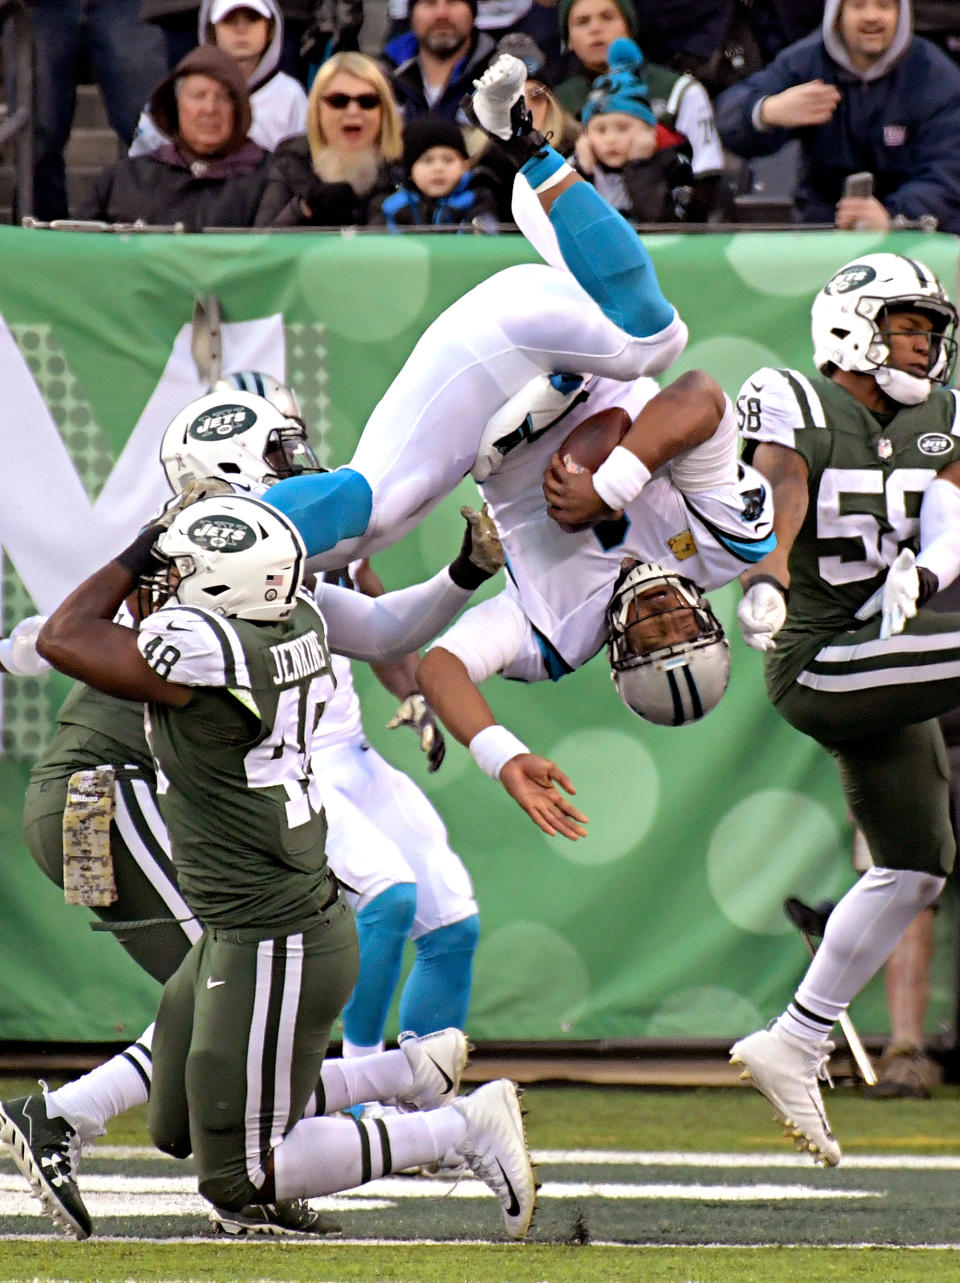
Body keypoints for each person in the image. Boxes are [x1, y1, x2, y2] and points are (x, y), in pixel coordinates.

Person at [1, 390, 501, 1236]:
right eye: (277, 457)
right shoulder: (192, 562)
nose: (295, 471)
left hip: (142, 793)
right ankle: (76, 1117)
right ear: (226, 474)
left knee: (231, 1007)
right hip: (110, 788)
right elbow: (49, 636)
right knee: (232, 981)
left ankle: (310, 1121)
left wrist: (463, 574)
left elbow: (376, 629)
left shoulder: (250, 561)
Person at [262, 52, 689, 566]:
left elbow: (387, 631)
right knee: (657, 340)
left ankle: (217, 531)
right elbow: (700, 400)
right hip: (515, 334)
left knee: (368, 528)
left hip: (518, 344)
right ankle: (217, 532)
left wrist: (463, 575)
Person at [727, 250, 960, 1166]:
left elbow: (949, 511)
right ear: (853, 327)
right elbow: (780, 485)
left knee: (915, 865)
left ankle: (796, 1036)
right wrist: (770, 572)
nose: (926, 343)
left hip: (884, 649)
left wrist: (927, 571)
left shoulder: (937, 414)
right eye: (910, 325)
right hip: (820, 658)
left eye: (932, 329)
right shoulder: (794, 396)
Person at [416, 369, 776, 838]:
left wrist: (501, 756)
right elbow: (701, 394)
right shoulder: (721, 544)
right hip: (603, 362)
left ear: (620, 656)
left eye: (654, 638)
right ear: (708, 620)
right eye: (684, 631)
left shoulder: (557, 636)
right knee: (664, 331)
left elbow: (440, 668)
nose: (664, 612)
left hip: (483, 423)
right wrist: (609, 488)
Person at [714, 0, 960, 234]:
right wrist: (766, 111)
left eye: (884, 5)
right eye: (858, 5)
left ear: (902, 14)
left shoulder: (936, 76)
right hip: (823, 231)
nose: (871, 17)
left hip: (913, 235)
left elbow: (947, 171)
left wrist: (893, 216)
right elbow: (727, 116)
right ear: (837, 14)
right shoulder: (806, 61)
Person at [550, 0, 728, 210]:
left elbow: (708, 173)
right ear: (568, 38)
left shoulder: (679, 90)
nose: (595, 29)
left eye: (607, 17)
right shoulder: (558, 101)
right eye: (582, 22)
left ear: (629, 25)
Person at [78, 46, 272, 229]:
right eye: (198, 95)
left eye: (223, 97)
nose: (210, 108)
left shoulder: (270, 179)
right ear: (175, 105)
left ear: (238, 109)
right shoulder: (125, 180)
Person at [13, 0, 167, 220]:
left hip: (132, 6)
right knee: (35, 138)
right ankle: (35, 242)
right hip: (37, 7)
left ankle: (151, 235)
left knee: (149, 128)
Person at [130, 0, 308, 157]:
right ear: (212, 30)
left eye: (252, 18)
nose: (241, 29)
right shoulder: (179, 89)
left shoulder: (290, 93)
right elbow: (142, 160)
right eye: (229, 20)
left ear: (271, 29)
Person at [254, 52, 402, 227]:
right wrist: (303, 209)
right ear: (317, 111)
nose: (353, 110)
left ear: (384, 112)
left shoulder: (405, 167)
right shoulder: (291, 161)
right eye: (338, 101)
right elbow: (263, 248)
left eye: (367, 101)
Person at [573, 39, 708, 223]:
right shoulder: (574, 167)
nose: (611, 139)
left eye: (623, 128)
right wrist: (581, 174)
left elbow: (660, 223)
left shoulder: (676, 166)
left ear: (648, 131)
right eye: (601, 130)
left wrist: (640, 166)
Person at [370, 114, 501, 230]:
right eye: (427, 161)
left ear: (465, 166)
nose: (438, 168)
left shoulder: (478, 201)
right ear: (410, 171)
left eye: (448, 160)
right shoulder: (391, 207)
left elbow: (483, 241)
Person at [389, 0, 497, 125]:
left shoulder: (504, 77)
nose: (441, 14)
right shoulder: (382, 77)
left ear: (473, 12)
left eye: (452, 2)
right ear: (411, 13)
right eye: (430, 3)